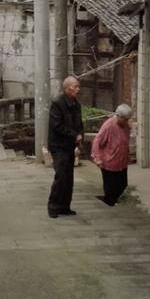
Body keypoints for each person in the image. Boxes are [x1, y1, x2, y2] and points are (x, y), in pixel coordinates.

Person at [47, 76, 84, 218]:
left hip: (69, 145)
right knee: (61, 176)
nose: (78, 89)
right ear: (68, 88)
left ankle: (65, 206)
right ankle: (53, 206)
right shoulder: (57, 103)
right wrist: (74, 135)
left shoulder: (76, 104)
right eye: (76, 86)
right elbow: (57, 126)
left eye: (78, 86)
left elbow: (79, 123)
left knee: (69, 178)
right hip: (58, 145)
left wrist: (80, 135)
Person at [92, 104, 133, 206]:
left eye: (127, 119)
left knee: (123, 184)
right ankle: (109, 203)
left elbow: (125, 141)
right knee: (110, 187)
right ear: (118, 116)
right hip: (109, 161)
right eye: (125, 119)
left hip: (121, 161)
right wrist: (97, 157)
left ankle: (110, 200)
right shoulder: (109, 125)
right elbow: (97, 140)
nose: (126, 121)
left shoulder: (126, 125)